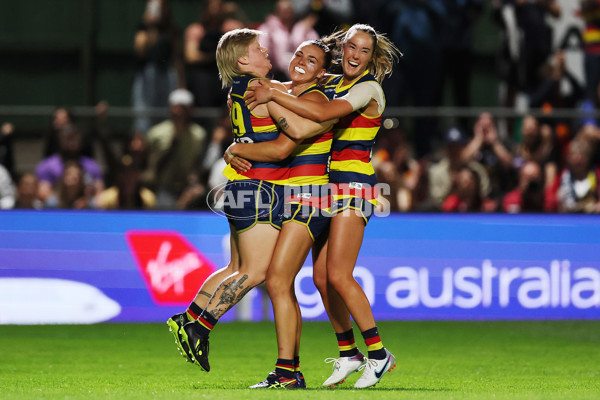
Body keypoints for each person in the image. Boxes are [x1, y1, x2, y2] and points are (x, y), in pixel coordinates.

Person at [166, 29, 331, 378]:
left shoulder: (239, 90)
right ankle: (202, 325)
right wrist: (330, 114)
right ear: (243, 60)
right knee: (255, 272)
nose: (266, 50)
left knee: (235, 266)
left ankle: (190, 318)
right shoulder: (261, 90)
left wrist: (236, 147)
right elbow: (286, 145)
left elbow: (280, 101)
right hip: (260, 187)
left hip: (241, 185)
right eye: (258, 48)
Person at [244, 23, 401, 388]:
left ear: (371, 57)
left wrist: (274, 95)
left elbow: (317, 114)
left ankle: (378, 354)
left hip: (354, 188)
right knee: (320, 277)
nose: (355, 55)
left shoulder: (368, 88)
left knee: (340, 276)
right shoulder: (333, 82)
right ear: (342, 49)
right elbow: (300, 86)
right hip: (328, 190)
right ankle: (349, 354)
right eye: (350, 47)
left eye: (364, 50)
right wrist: (258, 83)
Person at [223, 39, 335, 389]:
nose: (301, 60)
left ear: (321, 72)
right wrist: (232, 149)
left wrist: (239, 146)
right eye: (299, 53)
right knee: (306, 281)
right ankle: (296, 370)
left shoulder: (316, 99)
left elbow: (294, 137)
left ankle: (297, 370)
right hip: (292, 197)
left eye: (312, 59)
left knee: (279, 280)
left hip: (312, 195)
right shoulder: (283, 90)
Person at [141, 88, 207, 210]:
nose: (179, 112)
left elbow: (197, 164)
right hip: (162, 188)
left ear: (190, 111)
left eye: (183, 108)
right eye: (176, 108)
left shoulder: (198, 135)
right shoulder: (156, 134)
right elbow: (149, 163)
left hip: (187, 188)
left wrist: (194, 183)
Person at [132, 0, 183, 134]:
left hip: (167, 75)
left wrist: (181, 85)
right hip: (148, 77)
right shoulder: (143, 29)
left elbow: (176, 57)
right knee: (144, 113)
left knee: (165, 113)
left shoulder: (172, 30)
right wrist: (150, 26)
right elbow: (140, 50)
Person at [35, 123, 104, 205]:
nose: (71, 142)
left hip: (85, 209)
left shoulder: (92, 166)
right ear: (60, 140)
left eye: (74, 138)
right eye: (68, 138)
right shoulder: (47, 166)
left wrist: (86, 202)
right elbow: (43, 193)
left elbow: (100, 193)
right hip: (58, 209)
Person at [257, 0, 319, 81]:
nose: (285, 13)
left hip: (299, 71)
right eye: (282, 10)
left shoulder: (300, 28)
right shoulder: (268, 28)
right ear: (277, 11)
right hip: (275, 73)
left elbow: (315, 49)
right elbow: (260, 51)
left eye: (288, 10)